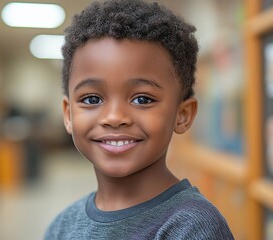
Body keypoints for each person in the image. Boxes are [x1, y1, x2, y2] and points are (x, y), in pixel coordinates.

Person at [45, 0, 234, 239]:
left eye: (142, 99)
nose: (114, 118)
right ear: (68, 114)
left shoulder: (191, 227)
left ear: (182, 115)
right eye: (92, 99)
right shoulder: (63, 225)